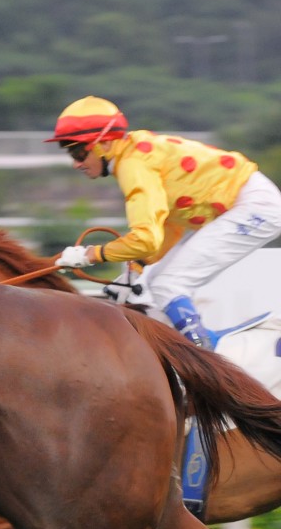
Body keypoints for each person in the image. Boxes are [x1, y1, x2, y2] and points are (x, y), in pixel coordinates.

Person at [50, 95, 281, 349]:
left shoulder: (133, 165)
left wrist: (90, 255)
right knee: (150, 286)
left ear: (103, 144)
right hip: (241, 205)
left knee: (169, 284)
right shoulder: (134, 151)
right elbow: (170, 224)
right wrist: (134, 270)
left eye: (78, 151)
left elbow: (146, 240)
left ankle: (206, 355)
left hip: (254, 207)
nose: (75, 163)